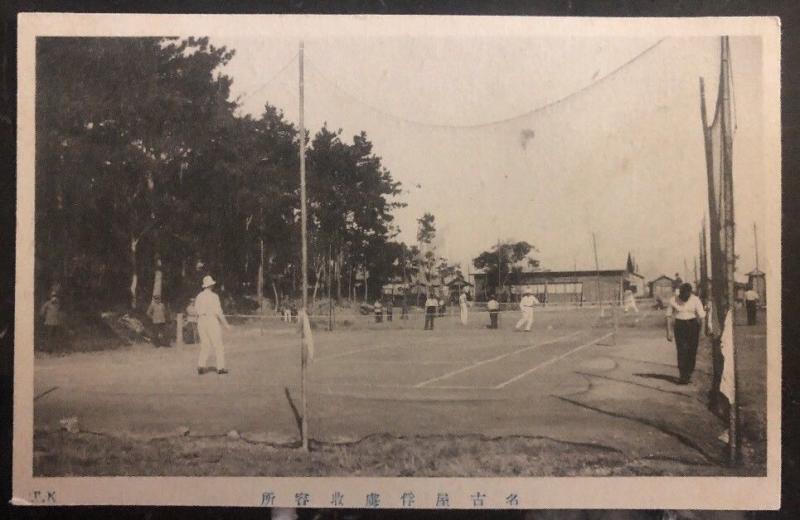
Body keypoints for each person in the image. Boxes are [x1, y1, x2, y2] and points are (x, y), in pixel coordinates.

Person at [666, 282, 706, 385]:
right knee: (682, 350)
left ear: (690, 293)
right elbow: (668, 316)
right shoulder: (673, 300)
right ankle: (682, 375)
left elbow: (702, 317)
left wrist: (702, 332)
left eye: (687, 296)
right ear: (680, 293)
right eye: (683, 295)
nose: (685, 298)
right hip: (680, 326)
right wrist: (669, 331)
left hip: (693, 326)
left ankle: (689, 373)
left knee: (692, 351)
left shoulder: (695, 300)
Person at [196, 275, 231, 375]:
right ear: (211, 285)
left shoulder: (199, 296)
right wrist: (226, 325)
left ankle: (201, 365)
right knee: (218, 345)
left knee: (205, 344)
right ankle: (221, 367)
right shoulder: (214, 296)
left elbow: (197, 310)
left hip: (201, 321)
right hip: (211, 320)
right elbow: (218, 312)